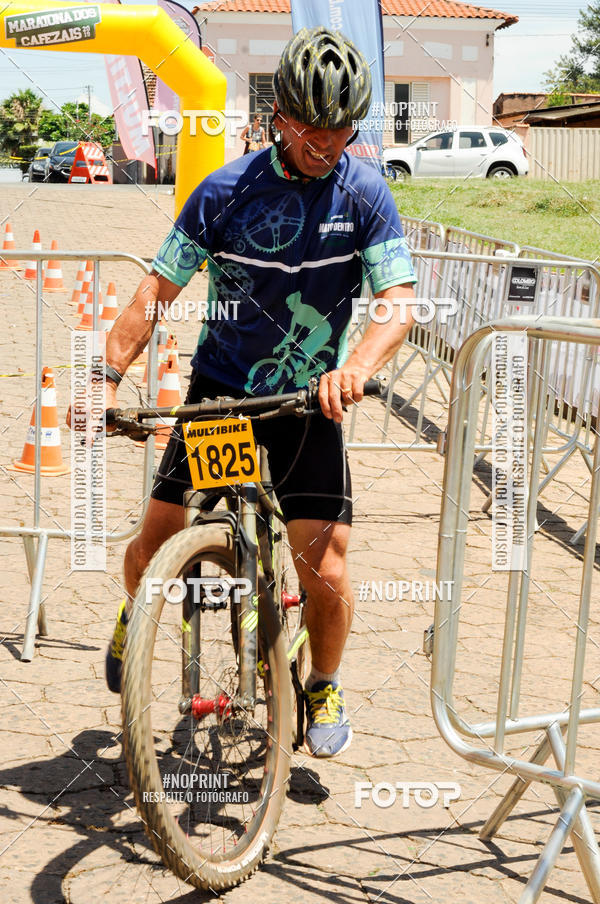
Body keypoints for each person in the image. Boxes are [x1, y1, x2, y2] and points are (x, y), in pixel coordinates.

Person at [90, 26, 417, 758]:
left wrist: (356, 366)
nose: (327, 143)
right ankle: (135, 612)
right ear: (280, 117)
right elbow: (156, 291)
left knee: (325, 566)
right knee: (156, 544)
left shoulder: (365, 193)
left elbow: (398, 300)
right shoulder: (225, 191)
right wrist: (100, 376)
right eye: (312, 127)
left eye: (341, 128)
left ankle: (323, 679)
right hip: (225, 397)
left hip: (310, 403)